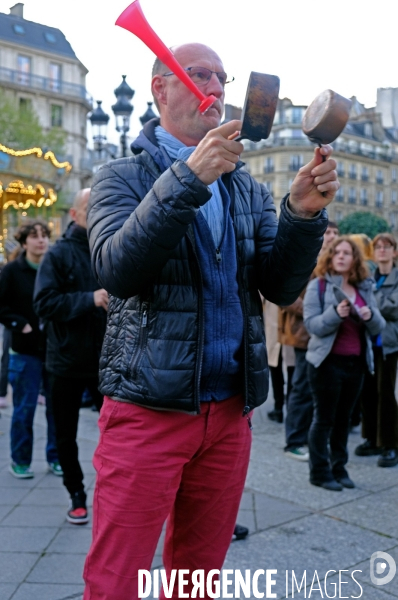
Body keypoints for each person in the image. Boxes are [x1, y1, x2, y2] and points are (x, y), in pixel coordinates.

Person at [83, 42, 339, 599]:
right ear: (160, 88)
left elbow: (279, 286)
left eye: (222, 78)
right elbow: (116, 269)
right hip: (148, 408)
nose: (217, 88)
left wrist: (300, 215)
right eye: (199, 74)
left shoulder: (245, 186)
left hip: (227, 413)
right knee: (116, 577)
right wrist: (186, 178)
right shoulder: (118, 176)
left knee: (197, 576)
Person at [34, 189, 108, 524]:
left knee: (120, 436)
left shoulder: (110, 248)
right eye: (91, 207)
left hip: (106, 360)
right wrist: (89, 299)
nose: (98, 212)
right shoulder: (58, 254)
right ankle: (76, 494)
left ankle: (114, 496)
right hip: (64, 360)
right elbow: (45, 303)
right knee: (65, 434)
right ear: (75, 216)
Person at [304, 236, 385, 491]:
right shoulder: (317, 286)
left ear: (355, 259)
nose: (340, 256)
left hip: (356, 364)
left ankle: (339, 468)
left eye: (346, 253)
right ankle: (319, 471)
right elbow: (312, 325)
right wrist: (334, 315)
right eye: (336, 252)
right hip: (326, 364)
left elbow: (379, 326)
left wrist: (370, 316)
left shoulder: (364, 287)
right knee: (324, 419)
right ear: (329, 256)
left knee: (345, 420)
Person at [0, 220, 60, 478]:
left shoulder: (55, 267)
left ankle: (56, 458)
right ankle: (20, 460)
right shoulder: (12, 271)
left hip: (55, 350)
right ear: (24, 242)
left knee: (57, 410)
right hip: (24, 352)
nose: (41, 240)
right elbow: (1, 306)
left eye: (44, 235)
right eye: (34, 236)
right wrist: (20, 324)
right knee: (24, 409)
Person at [283, 220, 339, 460]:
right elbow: (285, 295)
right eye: (328, 232)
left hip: (327, 334)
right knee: (302, 389)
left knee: (320, 390)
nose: (332, 236)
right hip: (305, 333)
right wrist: (311, 310)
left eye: (336, 232)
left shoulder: (335, 262)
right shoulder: (306, 257)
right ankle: (294, 441)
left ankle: (309, 437)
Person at [355, 233, 398, 467]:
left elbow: (393, 308)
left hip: (389, 343)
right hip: (368, 342)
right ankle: (371, 438)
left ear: (394, 251)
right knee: (368, 393)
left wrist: (369, 304)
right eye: (378, 246)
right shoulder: (369, 277)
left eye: (387, 246)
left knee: (386, 394)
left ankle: (390, 444)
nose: (382, 250)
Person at [264, 300, 295, 423]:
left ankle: (281, 409)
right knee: (283, 369)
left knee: (286, 369)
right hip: (282, 327)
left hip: (287, 327)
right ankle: (283, 409)